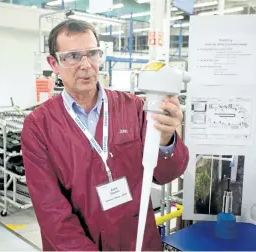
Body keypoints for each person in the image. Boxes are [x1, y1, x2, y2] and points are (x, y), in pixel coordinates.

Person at [21, 19, 189, 251]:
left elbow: (166, 173)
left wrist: (166, 139)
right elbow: (51, 210)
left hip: (137, 241)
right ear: (54, 63)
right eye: (72, 56)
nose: (86, 64)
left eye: (92, 53)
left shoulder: (133, 108)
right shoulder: (39, 126)